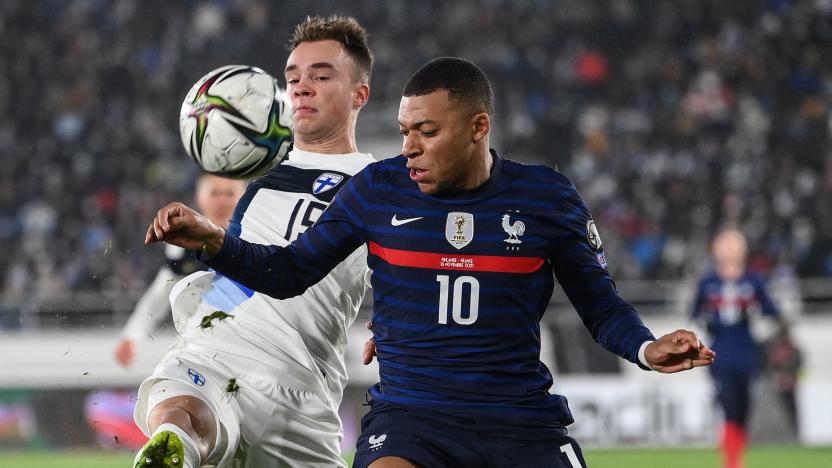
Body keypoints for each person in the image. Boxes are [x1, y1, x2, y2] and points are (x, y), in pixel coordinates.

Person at [148, 57, 715, 468]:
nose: (410, 146)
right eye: (403, 132)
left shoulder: (547, 198)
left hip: (521, 424)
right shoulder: (377, 190)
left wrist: (645, 347)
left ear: (478, 128)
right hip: (412, 424)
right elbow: (289, 272)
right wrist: (214, 241)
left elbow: (601, 306)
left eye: (427, 131)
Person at [133, 15, 376, 468]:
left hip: (299, 387)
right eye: (293, 78)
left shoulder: (380, 184)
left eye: (321, 76)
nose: (301, 87)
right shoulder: (263, 182)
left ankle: (181, 439)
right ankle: (177, 443)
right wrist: (208, 243)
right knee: (182, 409)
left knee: (188, 410)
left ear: (359, 94)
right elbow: (245, 265)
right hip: (217, 348)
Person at [114, 174, 245, 368]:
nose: (221, 201)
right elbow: (160, 293)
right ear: (200, 198)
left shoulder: (260, 236)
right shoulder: (183, 245)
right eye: (215, 193)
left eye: (229, 193)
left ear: (243, 197)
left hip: (251, 342)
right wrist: (133, 335)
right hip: (205, 347)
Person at [692, 228, 783, 468]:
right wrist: (705, 325)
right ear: (716, 249)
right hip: (719, 353)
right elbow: (694, 315)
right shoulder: (708, 281)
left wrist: (758, 318)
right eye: (725, 243)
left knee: (743, 406)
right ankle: (732, 462)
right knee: (728, 402)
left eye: (734, 244)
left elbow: (773, 313)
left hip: (747, 352)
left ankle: (736, 456)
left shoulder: (753, 280)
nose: (730, 248)